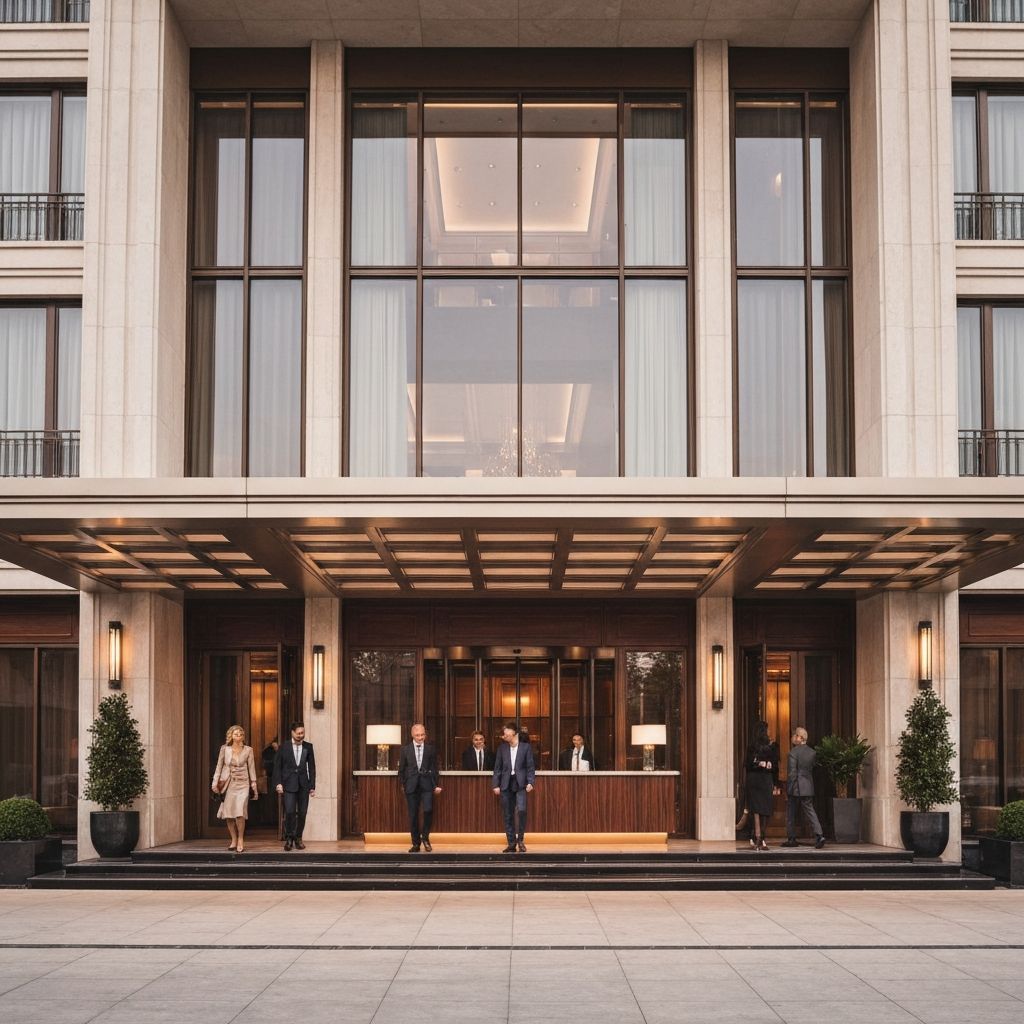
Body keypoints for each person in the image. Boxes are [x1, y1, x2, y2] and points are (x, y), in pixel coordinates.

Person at [211, 724, 257, 854]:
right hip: (229, 784)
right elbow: (219, 766)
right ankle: (233, 839)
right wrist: (215, 783)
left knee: (240, 813)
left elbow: (251, 768)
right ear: (231, 735)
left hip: (243, 784)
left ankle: (241, 839)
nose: (239, 736)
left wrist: (253, 785)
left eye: (241, 734)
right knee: (229, 814)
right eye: (236, 734)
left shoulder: (248, 750)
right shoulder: (225, 749)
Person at [492, 721, 536, 854]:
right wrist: (495, 784)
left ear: (514, 733)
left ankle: (520, 840)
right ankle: (511, 843)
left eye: (506, 733)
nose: (504, 735)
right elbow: (497, 768)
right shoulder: (502, 748)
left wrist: (531, 782)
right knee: (508, 814)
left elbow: (530, 767)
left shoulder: (525, 747)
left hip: (520, 783)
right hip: (506, 784)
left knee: (522, 811)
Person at [398, 723, 442, 852]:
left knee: (428, 810)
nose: (420, 737)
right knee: (413, 815)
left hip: (427, 785)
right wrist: (404, 784)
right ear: (412, 735)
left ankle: (425, 838)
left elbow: (435, 769)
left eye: (422, 734)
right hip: (411, 787)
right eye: (417, 735)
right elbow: (401, 770)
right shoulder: (405, 750)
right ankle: (415, 843)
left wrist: (436, 785)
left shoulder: (430, 749)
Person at [272, 721, 316, 851]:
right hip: (288, 784)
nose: (301, 735)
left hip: (304, 785)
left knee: (302, 813)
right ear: (292, 732)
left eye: (302, 733)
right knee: (290, 812)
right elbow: (277, 767)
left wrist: (312, 786)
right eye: (298, 733)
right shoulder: (284, 747)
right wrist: (278, 783)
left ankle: (299, 838)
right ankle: (289, 838)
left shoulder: (308, 747)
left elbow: (312, 768)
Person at [783, 726, 825, 849]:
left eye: (795, 735)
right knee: (810, 811)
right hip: (807, 785)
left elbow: (792, 773)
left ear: (800, 738)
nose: (793, 737)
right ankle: (819, 835)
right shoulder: (812, 752)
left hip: (795, 786)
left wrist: (788, 789)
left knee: (790, 812)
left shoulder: (793, 753)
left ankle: (791, 838)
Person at [744, 720, 780, 851]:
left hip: (760, 779)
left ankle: (759, 836)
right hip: (760, 779)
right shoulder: (754, 747)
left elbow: (775, 765)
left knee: (761, 809)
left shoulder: (771, 746)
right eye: (767, 729)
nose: (769, 732)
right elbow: (748, 764)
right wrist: (761, 764)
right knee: (761, 809)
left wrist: (769, 766)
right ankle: (760, 837)